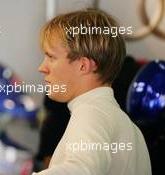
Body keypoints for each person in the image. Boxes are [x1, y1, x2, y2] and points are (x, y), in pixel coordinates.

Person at [32, 8, 151, 175]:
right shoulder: (129, 128)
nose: (42, 68)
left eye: (51, 57)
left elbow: (80, 170)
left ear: (83, 65)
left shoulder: (91, 112)